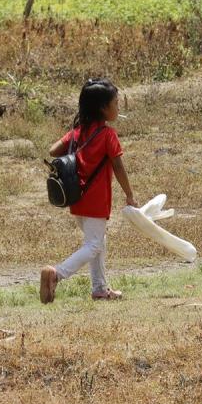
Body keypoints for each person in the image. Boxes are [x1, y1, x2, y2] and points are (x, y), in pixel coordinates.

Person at [40, 78, 137, 303]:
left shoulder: (77, 132)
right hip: (96, 201)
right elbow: (118, 166)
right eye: (115, 103)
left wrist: (75, 140)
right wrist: (130, 194)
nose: (118, 107)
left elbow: (53, 150)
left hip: (77, 199)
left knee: (98, 242)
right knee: (94, 244)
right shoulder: (107, 135)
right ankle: (57, 273)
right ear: (103, 108)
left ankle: (100, 289)